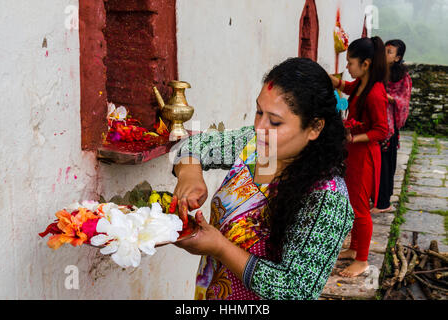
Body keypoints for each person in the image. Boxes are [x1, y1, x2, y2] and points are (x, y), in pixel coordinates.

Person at [171, 57, 354, 300]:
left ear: (314, 128)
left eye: (275, 122)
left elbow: (296, 291)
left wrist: (220, 248)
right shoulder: (255, 148)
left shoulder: (326, 199)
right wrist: (190, 174)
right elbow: (194, 145)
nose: (259, 127)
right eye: (259, 112)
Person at [329, 36, 389, 277]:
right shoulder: (362, 83)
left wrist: (354, 138)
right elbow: (347, 87)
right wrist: (326, 79)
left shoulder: (375, 92)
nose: (347, 67)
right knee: (353, 204)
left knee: (361, 209)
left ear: (365, 64)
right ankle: (354, 249)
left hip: (364, 157)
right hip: (354, 154)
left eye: (350, 62)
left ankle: (362, 260)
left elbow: (382, 130)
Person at [371, 39, 412, 214]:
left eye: (390, 52)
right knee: (375, 162)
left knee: (386, 164)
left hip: (389, 127)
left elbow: (404, 100)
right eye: (384, 50)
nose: (385, 54)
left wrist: (390, 98)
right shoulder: (378, 71)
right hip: (377, 121)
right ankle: (376, 199)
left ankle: (383, 202)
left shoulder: (403, 77)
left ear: (398, 58)